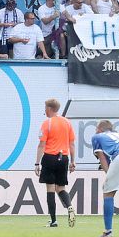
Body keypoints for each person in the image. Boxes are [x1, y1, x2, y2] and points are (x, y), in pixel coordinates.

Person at [34, 98, 76, 228]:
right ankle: (69, 206)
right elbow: (72, 144)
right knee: (61, 188)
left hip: (50, 157)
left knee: (51, 188)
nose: (44, 110)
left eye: (45, 108)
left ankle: (53, 221)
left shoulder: (47, 123)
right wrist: (73, 161)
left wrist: (37, 163)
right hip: (63, 158)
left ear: (49, 109)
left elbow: (42, 144)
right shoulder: (67, 123)